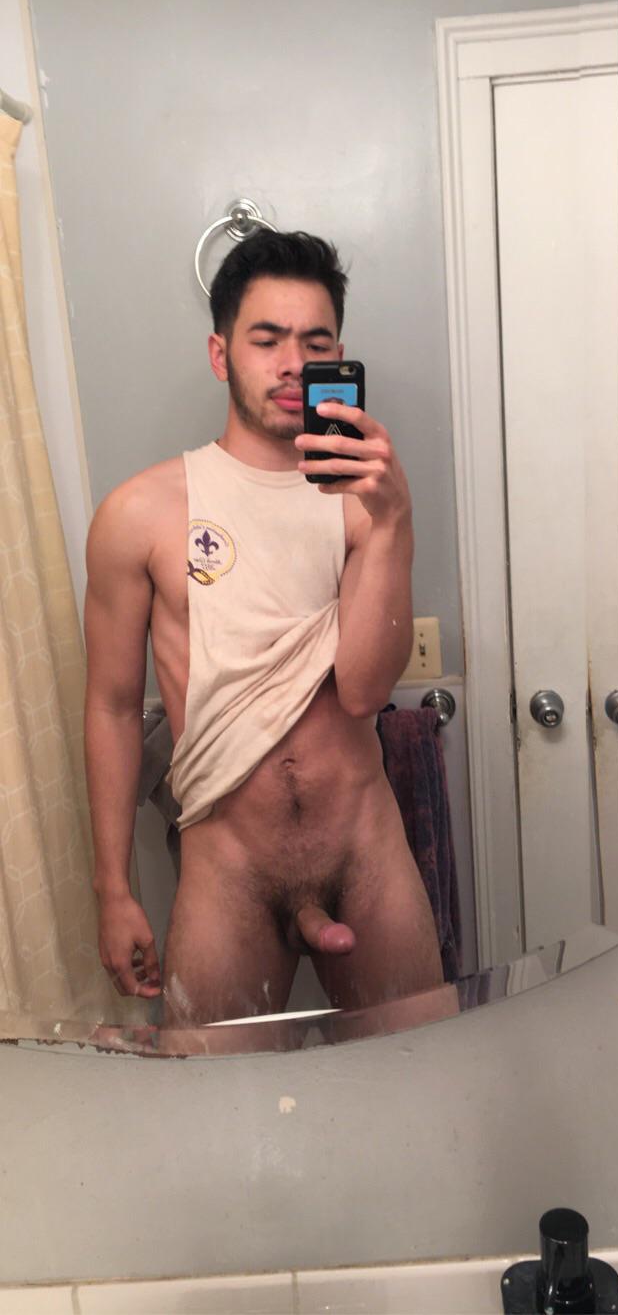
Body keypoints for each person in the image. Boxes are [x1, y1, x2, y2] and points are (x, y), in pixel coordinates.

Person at [84, 230, 445, 1026]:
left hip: (364, 849)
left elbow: (364, 689)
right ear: (221, 355)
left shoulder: (369, 499)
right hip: (230, 870)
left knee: (423, 1079)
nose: (292, 364)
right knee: (215, 1098)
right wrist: (113, 890)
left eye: (315, 344)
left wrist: (394, 523)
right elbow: (111, 707)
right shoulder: (139, 513)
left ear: (338, 357)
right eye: (267, 339)